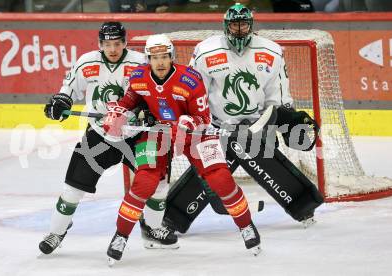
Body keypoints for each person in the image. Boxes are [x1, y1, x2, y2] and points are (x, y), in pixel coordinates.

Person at [162, 3, 323, 234]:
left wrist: (279, 122)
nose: (239, 29)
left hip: (256, 126)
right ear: (226, 25)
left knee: (259, 156)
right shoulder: (206, 51)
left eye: (243, 24)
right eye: (235, 24)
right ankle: (173, 217)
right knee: (211, 169)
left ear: (251, 25)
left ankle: (304, 206)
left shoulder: (271, 52)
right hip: (218, 127)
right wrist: (196, 121)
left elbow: (276, 97)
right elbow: (195, 93)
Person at [103, 34, 261, 265]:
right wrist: (118, 111)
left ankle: (246, 225)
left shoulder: (190, 79)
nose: (160, 62)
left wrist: (188, 123)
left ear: (172, 56)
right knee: (145, 181)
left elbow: (204, 117)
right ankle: (121, 236)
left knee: (221, 179)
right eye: (155, 58)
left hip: (196, 134)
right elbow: (130, 100)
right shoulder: (138, 76)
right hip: (158, 132)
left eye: (164, 57)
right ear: (148, 59)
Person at [38, 21, 165, 254]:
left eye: (117, 44)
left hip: (135, 136)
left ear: (125, 42)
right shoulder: (86, 62)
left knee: (158, 184)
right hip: (100, 134)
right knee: (72, 190)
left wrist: (148, 111)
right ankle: (57, 232)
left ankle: (153, 228)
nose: (113, 49)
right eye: (107, 44)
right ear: (100, 44)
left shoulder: (140, 63)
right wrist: (60, 102)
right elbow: (68, 90)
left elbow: (155, 94)